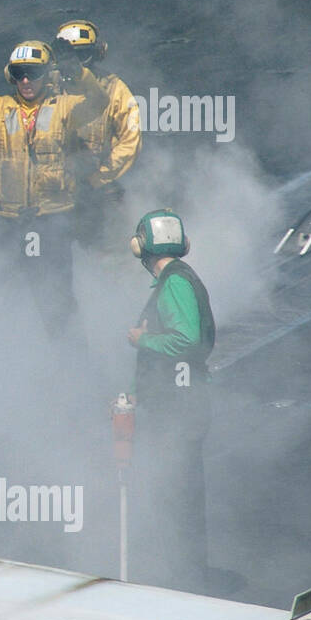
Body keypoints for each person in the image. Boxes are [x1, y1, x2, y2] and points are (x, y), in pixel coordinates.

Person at [0, 36, 109, 338]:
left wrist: (79, 72)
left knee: (57, 301)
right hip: (5, 222)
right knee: (3, 295)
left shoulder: (65, 108)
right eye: (20, 74)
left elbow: (99, 103)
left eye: (33, 72)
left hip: (52, 220)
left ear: (48, 73)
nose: (27, 80)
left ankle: (72, 366)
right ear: (11, 76)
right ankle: (12, 363)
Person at [124, 209, 215, 591]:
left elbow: (187, 341)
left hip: (178, 407)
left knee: (177, 489)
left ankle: (184, 577)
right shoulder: (176, 280)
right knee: (178, 486)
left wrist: (141, 339)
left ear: (140, 248)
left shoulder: (174, 284)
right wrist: (138, 393)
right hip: (177, 403)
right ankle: (184, 571)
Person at [54, 19, 142, 247]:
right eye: (69, 57)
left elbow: (130, 141)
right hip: (53, 190)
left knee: (111, 253)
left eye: (82, 56)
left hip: (98, 189)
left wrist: (100, 176)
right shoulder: (46, 86)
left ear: (97, 53)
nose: (76, 64)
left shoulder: (115, 89)